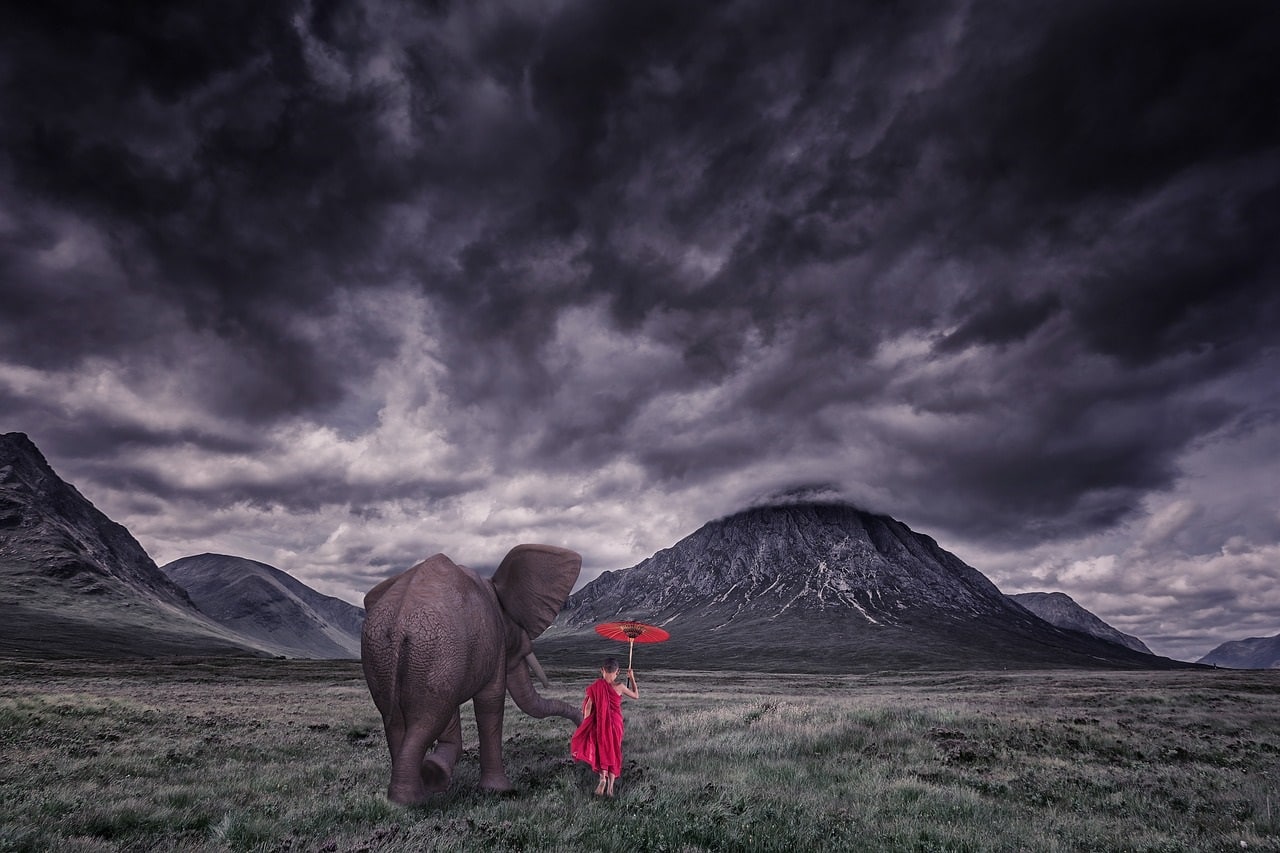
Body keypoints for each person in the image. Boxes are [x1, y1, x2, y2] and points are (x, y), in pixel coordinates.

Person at [569, 656, 639, 796]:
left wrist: (587, 723)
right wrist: (631, 678)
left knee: (603, 750)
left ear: (602, 670)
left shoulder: (596, 687)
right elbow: (636, 695)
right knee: (614, 750)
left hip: (600, 724)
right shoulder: (620, 687)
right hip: (616, 724)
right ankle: (611, 787)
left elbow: (588, 707)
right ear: (617, 672)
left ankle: (602, 779)